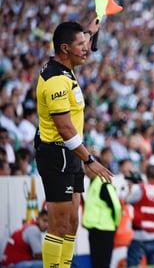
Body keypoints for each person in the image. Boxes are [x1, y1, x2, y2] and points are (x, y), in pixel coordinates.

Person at [34, 18, 113, 268]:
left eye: (86, 42)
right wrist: (90, 160)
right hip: (57, 154)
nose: (86, 48)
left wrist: (97, 18)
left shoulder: (66, 64)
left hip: (71, 154)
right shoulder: (56, 80)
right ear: (65, 48)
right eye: (81, 45)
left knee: (71, 223)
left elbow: (86, 35)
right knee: (57, 225)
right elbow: (65, 129)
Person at [125, 164, 154, 267]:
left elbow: (128, 200)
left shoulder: (143, 189)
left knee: (132, 264)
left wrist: (130, 189)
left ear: (146, 175)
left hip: (141, 236)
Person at [82, 171, 122, 268]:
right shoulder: (93, 183)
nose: (85, 170)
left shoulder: (103, 184)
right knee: (96, 263)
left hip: (105, 229)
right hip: (94, 229)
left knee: (103, 263)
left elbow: (116, 206)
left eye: (87, 167)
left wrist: (115, 224)